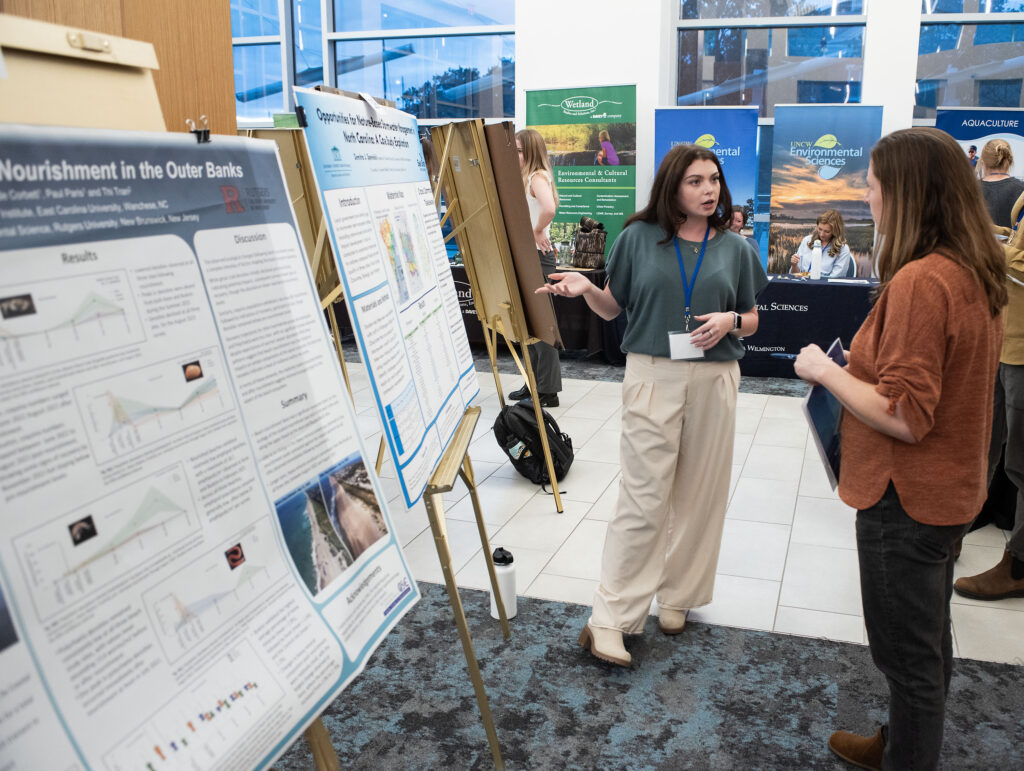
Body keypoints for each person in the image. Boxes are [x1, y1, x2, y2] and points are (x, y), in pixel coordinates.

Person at [794, 127, 1006, 770]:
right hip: (947, 493)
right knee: (927, 641)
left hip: (904, 500)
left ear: (906, 193)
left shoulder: (922, 281)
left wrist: (826, 372)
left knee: (908, 658)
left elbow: (906, 415)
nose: (867, 193)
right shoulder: (973, 269)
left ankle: (906, 755)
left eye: (875, 182)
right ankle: (900, 746)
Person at [537, 143, 766, 667]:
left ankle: (679, 595)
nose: (708, 190)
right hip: (652, 374)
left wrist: (732, 322)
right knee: (642, 499)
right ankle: (610, 619)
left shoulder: (734, 247)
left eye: (713, 180)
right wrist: (584, 288)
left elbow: (752, 317)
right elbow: (614, 306)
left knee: (700, 493)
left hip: (715, 378)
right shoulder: (637, 238)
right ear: (672, 186)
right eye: (695, 181)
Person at [954, 188, 1024, 602]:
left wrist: (980, 245)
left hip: (1021, 352)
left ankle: (1017, 565)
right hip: (1003, 341)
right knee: (981, 442)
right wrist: (989, 232)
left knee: (1020, 463)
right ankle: (956, 528)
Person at [507, 128, 562, 408]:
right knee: (528, 325)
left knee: (542, 325)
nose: (514, 155)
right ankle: (534, 383)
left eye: (518, 150)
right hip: (525, 256)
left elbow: (549, 208)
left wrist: (537, 230)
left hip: (537, 258)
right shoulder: (524, 178)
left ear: (529, 151)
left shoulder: (536, 177)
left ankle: (547, 390)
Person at [789, 210, 853, 278]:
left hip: (826, 287)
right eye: (820, 229)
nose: (822, 234)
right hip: (803, 284)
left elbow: (835, 279)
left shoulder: (843, 249)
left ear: (835, 231)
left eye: (827, 231)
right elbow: (796, 275)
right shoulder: (807, 241)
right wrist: (794, 265)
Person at [978, 138, 1024, 228]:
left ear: (983, 162)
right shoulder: (1021, 190)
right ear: (1010, 161)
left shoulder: (966, 190)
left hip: (974, 242)